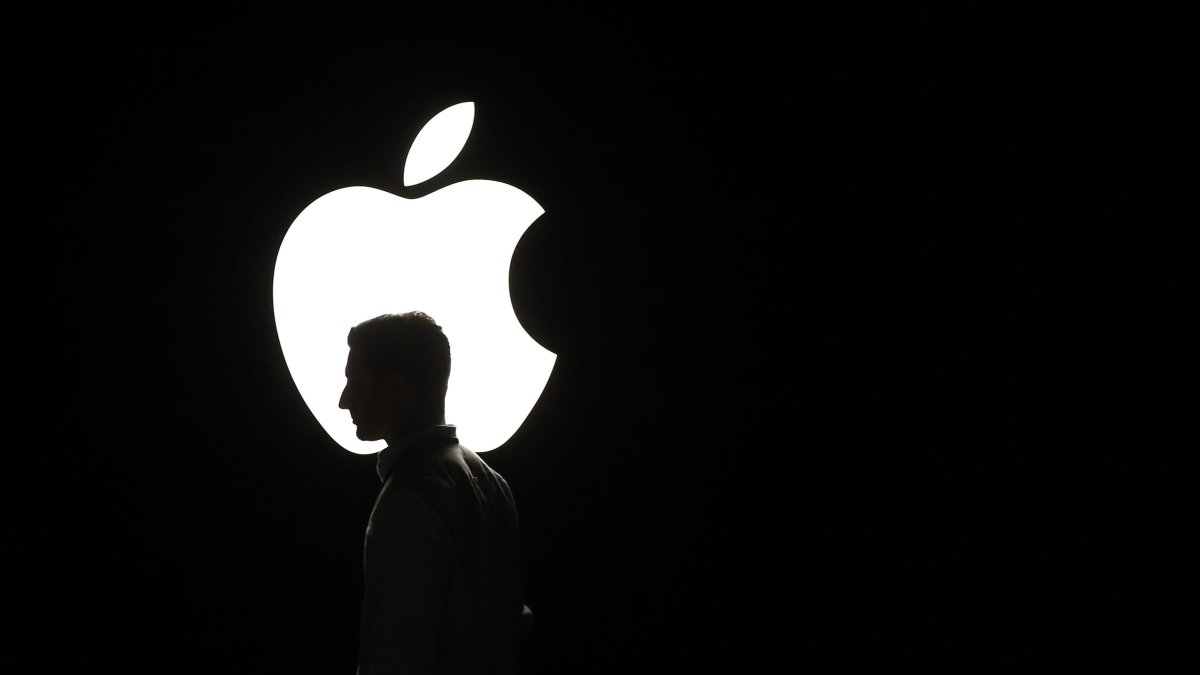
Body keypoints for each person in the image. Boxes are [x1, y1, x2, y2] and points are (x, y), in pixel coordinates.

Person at [339, 311, 530, 675]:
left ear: (397, 387)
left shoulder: (409, 497)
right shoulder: (493, 483)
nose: (344, 400)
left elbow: (399, 650)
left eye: (356, 382)